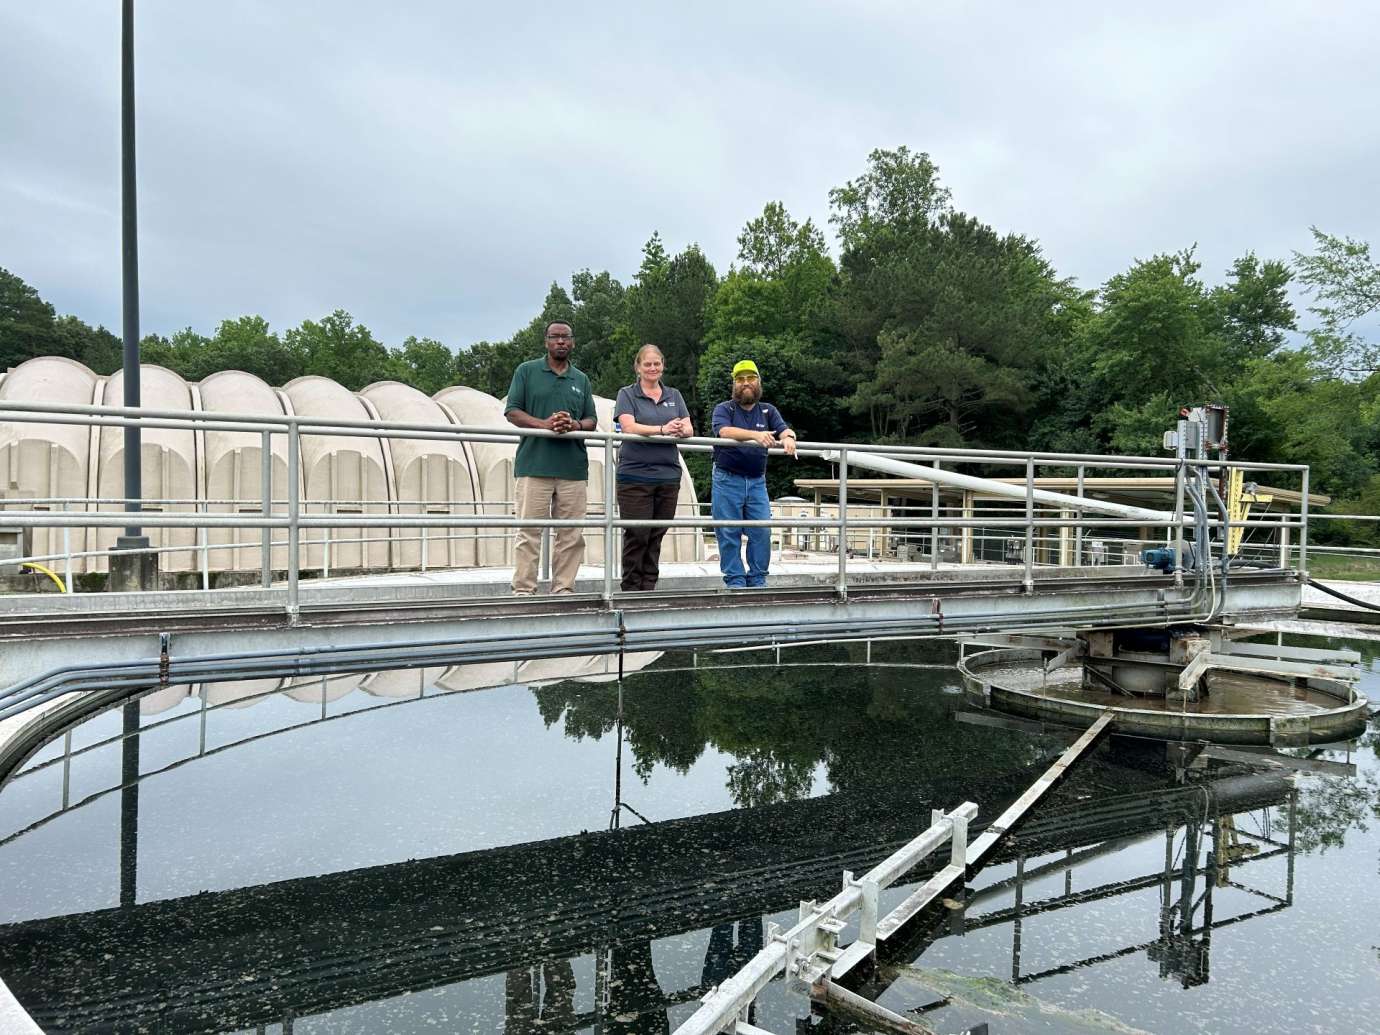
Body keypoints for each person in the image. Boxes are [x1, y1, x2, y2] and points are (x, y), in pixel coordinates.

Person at [504, 322, 598, 595]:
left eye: (565, 337)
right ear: (546, 342)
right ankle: (523, 589)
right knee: (529, 531)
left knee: (571, 535)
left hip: (573, 468)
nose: (560, 342)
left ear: (573, 342)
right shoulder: (527, 371)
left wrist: (574, 425)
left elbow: (592, 419)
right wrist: (544, 425)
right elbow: (512, 412)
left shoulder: (580, 379)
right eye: (555, 337)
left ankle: (563, 589)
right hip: (534, 464)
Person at [710, 359, 796, 588]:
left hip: (757, 481)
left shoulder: (768, 410)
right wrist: (755, 436)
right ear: (734, 384)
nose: (745, 383)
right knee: (729, 532)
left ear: (758, 382)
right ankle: (735, 581)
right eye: (740, 379)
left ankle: (758, 580)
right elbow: (724, 431)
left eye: (750, 378)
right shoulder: (724, 408)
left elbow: (784, 429)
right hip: (727, 479)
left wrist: (788, 438)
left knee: (762, 532)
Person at [613, 344, 692, 591]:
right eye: (647, 363)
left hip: (668, 474)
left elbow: (689, 428)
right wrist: (662, 430)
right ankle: (631, 587)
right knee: (638, 534)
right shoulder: (627, 394)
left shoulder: (674, 395)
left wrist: (680, 430)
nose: (652, 368)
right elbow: (628, 427)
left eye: (657, 363)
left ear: (663, 366)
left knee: (657, 533)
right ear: (638, 367)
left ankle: (649, 587)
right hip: (635, 474)